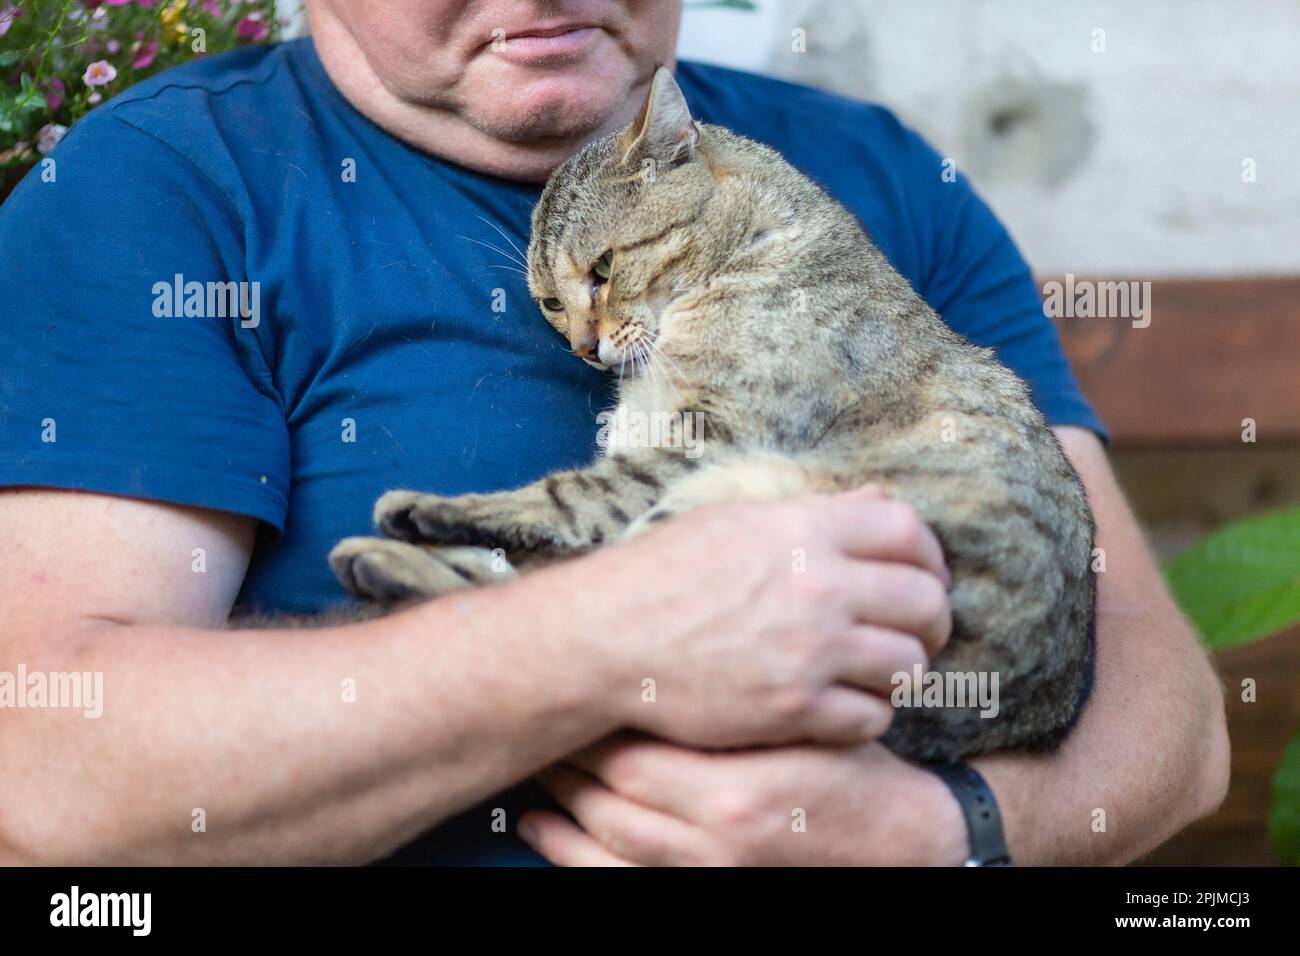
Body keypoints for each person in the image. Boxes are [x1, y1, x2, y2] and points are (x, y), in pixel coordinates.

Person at [0, 0, 1227, 866]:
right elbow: (41, 769)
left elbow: (1171, 718)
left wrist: (950, 833)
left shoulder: (880, 174)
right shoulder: (161, 189)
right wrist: (604, 640)